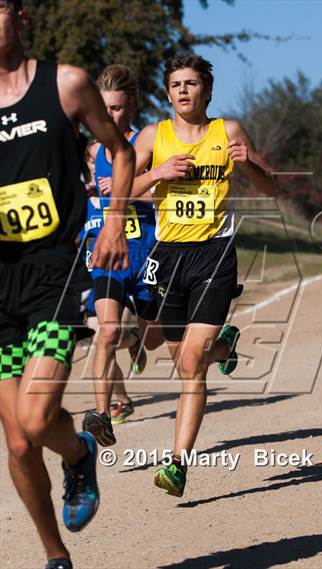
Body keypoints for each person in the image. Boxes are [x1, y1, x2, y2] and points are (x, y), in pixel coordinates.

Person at [0, 2, 135, 568]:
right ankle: (56, 557)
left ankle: (78, 452)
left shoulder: (67, 83)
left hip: (55, 269)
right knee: (18, 443)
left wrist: (111, 222)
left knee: (34, 419)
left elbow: (121, 151)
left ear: (21, 16)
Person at [131, 54, 275, 497]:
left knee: (191, 365)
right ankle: (225, 345)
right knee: (185, 364)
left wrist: (248, 162)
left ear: (207, 91)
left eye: (191, 84)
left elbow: (270, 188)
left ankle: (177, 464)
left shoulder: (227, 131)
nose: (183, 91)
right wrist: (157, 172)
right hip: (169, 255)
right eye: (176, 84)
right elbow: (119, 192)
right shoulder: (155, 136)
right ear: (168, 91)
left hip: (214, 253)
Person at [81, 65, 163, 445]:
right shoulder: (95, 149)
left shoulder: (145, 144)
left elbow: (159, 195)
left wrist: (125, 189)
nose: (110, 116)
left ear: (130, 107)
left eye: (117, 108)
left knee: (151, 340)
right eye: (104, 108)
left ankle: (136, 342)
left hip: (145, 251)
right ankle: (102, 413)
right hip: (108, 253)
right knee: (106, 330)